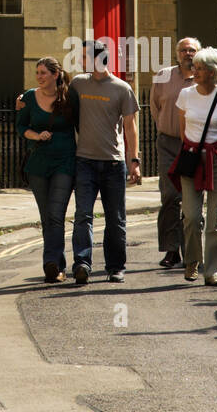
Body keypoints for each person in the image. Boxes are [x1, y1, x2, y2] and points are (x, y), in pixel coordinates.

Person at [68, 39, 141, 285]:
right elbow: (54, 94)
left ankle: (116, 267)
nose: (80, 61)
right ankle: (82, 264)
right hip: (84, 161)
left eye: (84, 57)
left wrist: (134, 160)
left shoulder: (122, 88)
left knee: (116, 219)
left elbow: (131, 127)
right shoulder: (78, 83)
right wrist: (25, 97)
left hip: (113, 164)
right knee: (82, 216)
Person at [169, 46, 217, 285]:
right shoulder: (186, 95)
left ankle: (214, 272)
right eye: (194, 67)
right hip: (191, 158)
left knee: (216, 219)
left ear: (212, 72)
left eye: (199, 68)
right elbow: (182, 130)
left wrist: (210, 147)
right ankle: (192, 260)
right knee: (191, 215)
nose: (194, 70)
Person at [16, 57, 76, 283]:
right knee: (46, 216)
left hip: (65, 161)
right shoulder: (29, 97)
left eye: (43, 73)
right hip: (38, 164)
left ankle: (53, 264)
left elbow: (83, 120)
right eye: (37, 72)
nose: (39, 77)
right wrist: (36, 135)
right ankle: (55, 264)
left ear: (55, 74)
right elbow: (21, 126)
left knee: (56, 214)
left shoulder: (69, 97)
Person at [150, 37, 199, 268]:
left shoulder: (204, 77)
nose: (187, 53)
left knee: (191, 198)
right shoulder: (162, 75)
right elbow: (154, 107)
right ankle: (171, 250)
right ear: (177, 53)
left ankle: (192, 250)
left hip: (194, 145)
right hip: (168, 143)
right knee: (169, 196)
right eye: (184, 50)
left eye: (192, 50)